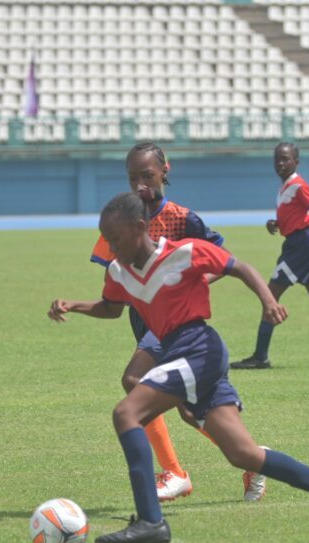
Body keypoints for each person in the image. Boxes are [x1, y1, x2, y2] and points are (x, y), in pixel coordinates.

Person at [49, 192, 309, 543]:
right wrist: (74, 305)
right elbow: (112, 307)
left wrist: (269, 301)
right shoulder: (119, 271)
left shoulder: (185, 252)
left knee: (127, 412)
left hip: (199, 349)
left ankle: (150, 520)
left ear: (141, 227)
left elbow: (239, 267)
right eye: (106, 240)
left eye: (115, 239)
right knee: (244, 455)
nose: (110, 248)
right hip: (179, 354)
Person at [89, 143, 269, 502]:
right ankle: (251, 457)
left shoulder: (183, 219)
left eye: (147, 176)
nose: (140, 184)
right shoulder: (123, 220)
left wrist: (190, 283)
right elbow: (114, 281)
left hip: (172, 327)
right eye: (132, 178)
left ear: (165, 171)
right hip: (146, 324)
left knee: (132, 381)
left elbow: (217, 259)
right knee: (189, 411)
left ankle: (175, 472)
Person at [231, 142, 309, 370]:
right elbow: (294, 217)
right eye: (277, 159)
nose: (280, 163)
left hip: (301, 246)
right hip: (301, 243)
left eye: (285, 159)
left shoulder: (299, 185)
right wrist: (276, 223)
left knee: (270, 296)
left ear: (296, 162)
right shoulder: (285, 188)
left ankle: (260, 356)